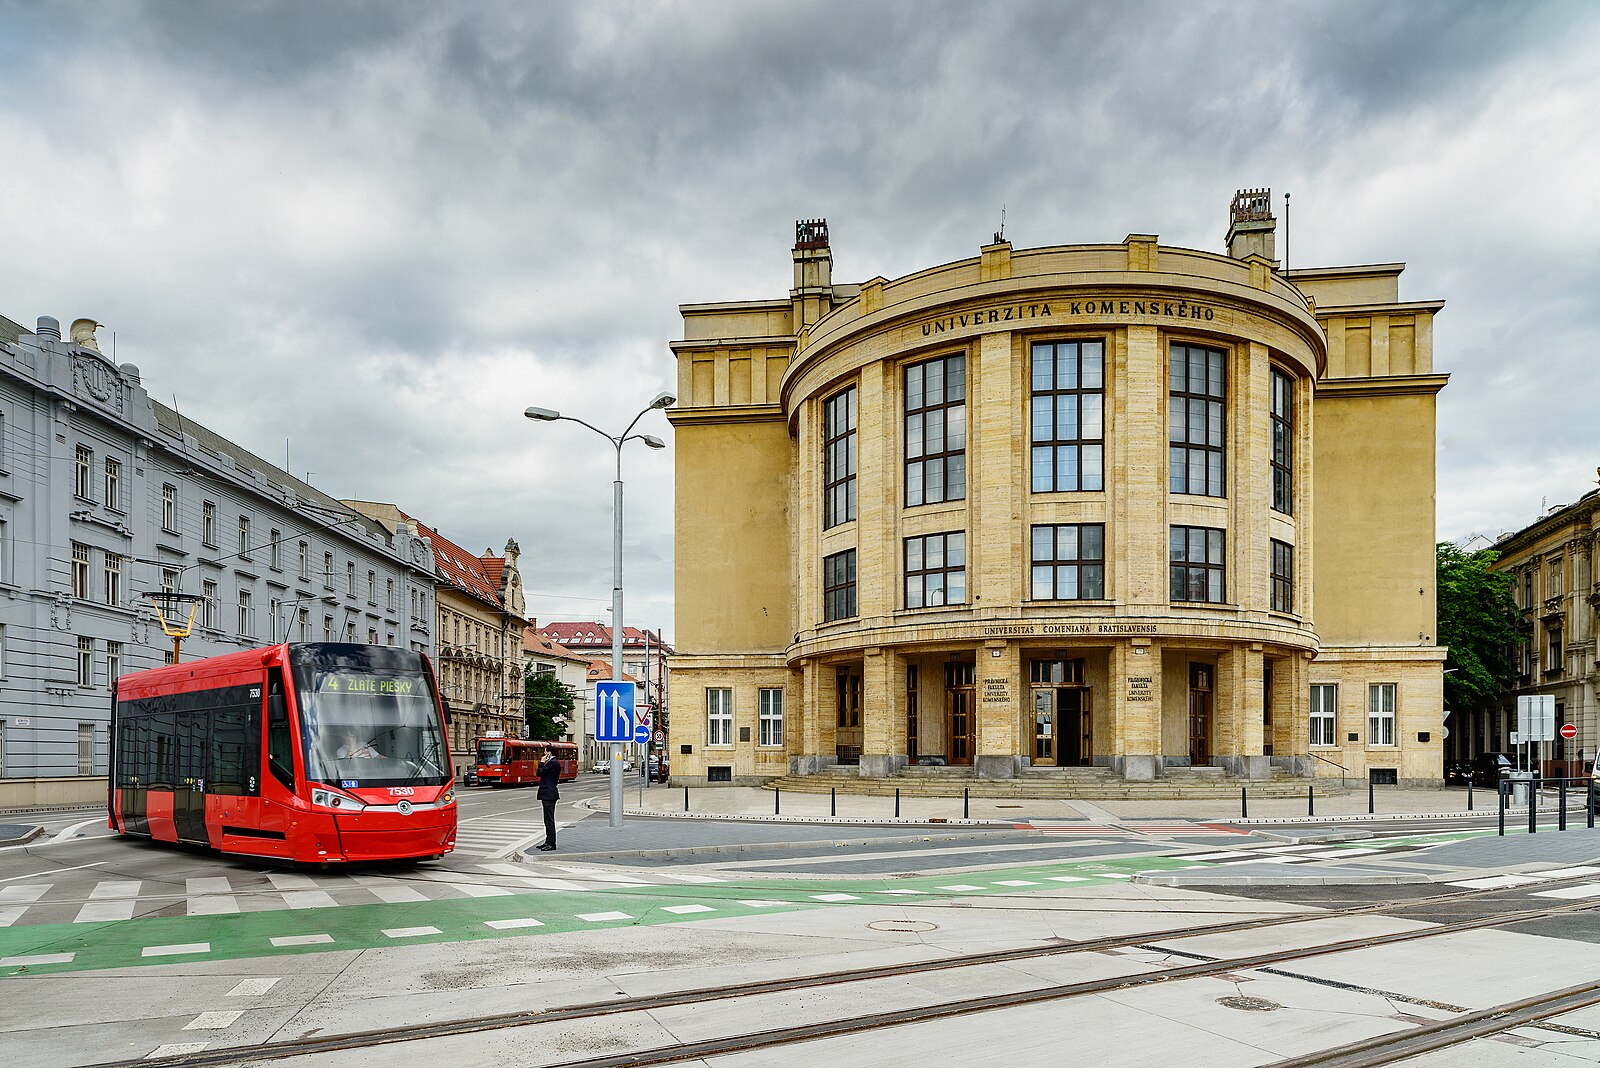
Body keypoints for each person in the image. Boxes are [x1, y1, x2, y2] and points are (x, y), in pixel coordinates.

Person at [535, 748, 560, 851]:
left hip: (549, 794)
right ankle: (547, 841)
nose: (544, 754)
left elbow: (539, 772)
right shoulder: (553, 762)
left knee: (549, 820)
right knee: (547, 820)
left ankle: (551, 843)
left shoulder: (552, 763)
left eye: (545, 752)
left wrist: (541, 762)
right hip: (548, 794)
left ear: (549, 752)